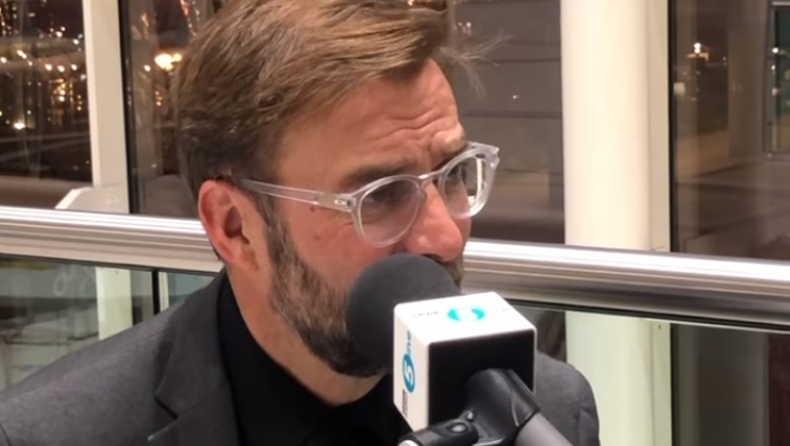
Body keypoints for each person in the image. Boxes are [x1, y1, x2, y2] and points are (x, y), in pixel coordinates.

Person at [0, 1, 601, 445]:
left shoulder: (544, 412)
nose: (445, 235)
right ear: (234, 227)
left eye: (452, 175)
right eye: (379, 196)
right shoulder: (54, 434)